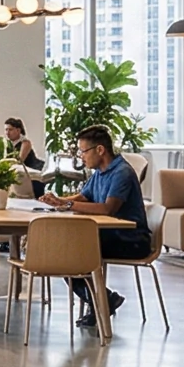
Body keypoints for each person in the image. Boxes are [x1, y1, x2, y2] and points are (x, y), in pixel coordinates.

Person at [53, 125, 145, 327]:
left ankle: (101, 301)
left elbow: (108, 209)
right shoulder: (99, 173)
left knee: (70, 253)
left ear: (100, 150)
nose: (82, 157)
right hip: (108, 235)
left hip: (132, 239)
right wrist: (58, 201)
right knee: (64, 252)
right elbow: (84, 197)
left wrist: (68, 204)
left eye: (84, 151)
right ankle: (103, 299)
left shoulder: (122, 172)